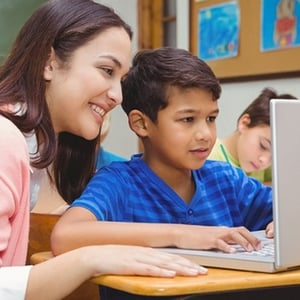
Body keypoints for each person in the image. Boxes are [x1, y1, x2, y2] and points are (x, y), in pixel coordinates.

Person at [0, 1, 206, 299]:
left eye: (121, 80)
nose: (118, 96)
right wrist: (92, 257)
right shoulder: (6, 138)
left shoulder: (43, 150)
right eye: (105, 70)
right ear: (49, 62)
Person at [51, 47, 273, 299]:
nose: (206, 134)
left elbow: (288, 209)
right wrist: (181, 234)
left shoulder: (227, 179)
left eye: (211, 118)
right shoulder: (119, 182)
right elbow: (65, 235)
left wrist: (286, 222)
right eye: (188, 119)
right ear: (141, 124)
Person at [209, 87, 297, 184]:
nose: (264, 160)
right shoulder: (208, 158)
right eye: (263, 146)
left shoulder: (263, 164)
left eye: (274, 157)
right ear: (244, 123)